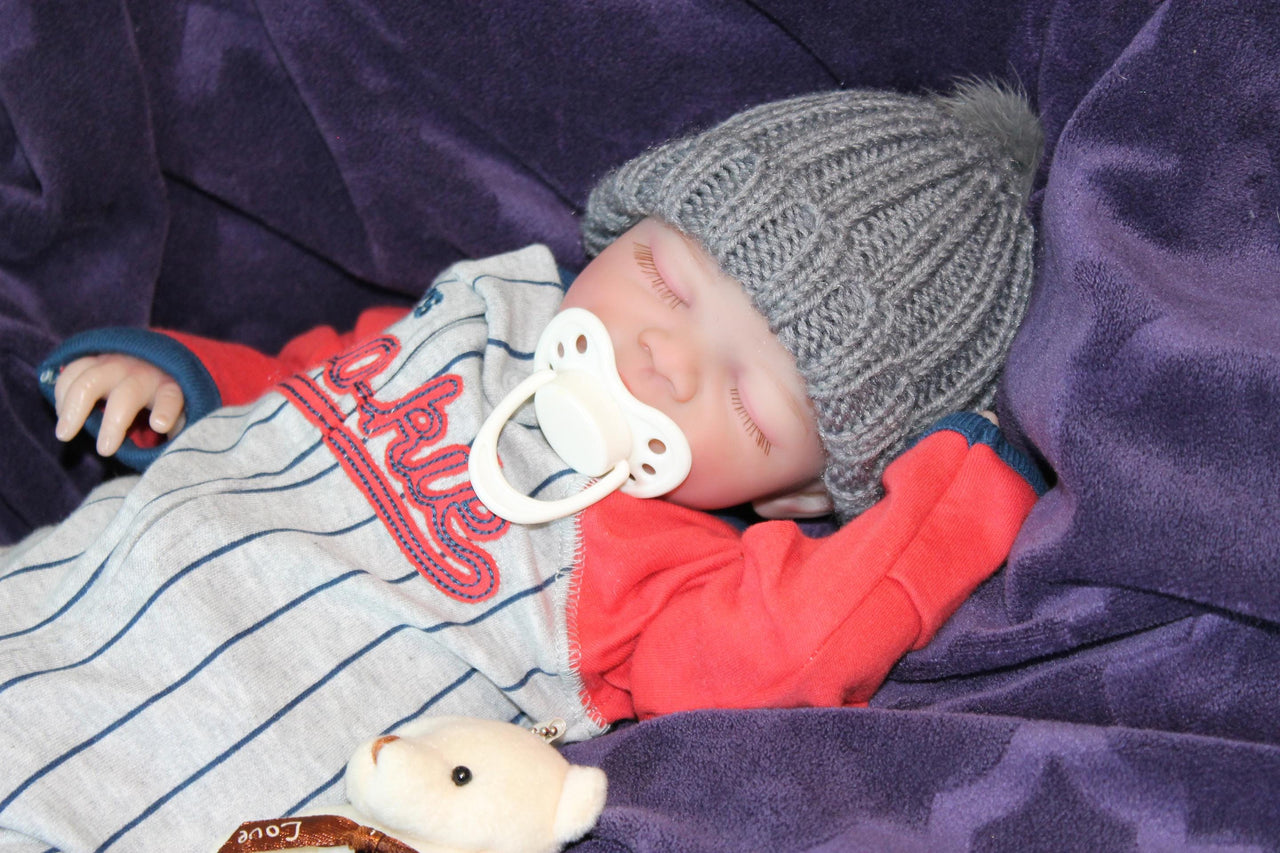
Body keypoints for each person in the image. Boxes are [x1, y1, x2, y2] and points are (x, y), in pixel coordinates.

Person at [1, 80, 1046, 851]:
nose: (662, 354)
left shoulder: (663, 570)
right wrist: (186, 381)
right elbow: (317, 374)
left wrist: (967, 482)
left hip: (168, 781)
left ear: (798, 491)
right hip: (55, 609)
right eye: (664, 281)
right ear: (624, 226)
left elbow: (799, 647)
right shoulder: (485, 304)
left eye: (743, 396)